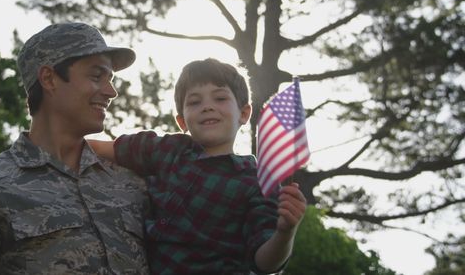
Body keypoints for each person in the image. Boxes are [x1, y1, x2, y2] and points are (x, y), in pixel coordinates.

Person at [0, 22, 149, 274]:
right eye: (96, 76)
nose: (111, 92)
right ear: (49, 78)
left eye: (110, 79)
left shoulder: (133, 183)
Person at [89, 58, 307, 274]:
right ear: (182, 121)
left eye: (220, 98)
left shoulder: (256, 180)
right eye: (195, 102)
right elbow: (105, 148)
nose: (208, 107)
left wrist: (285, 231)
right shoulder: (167, 149)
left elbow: (265, 263)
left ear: (243, 114)